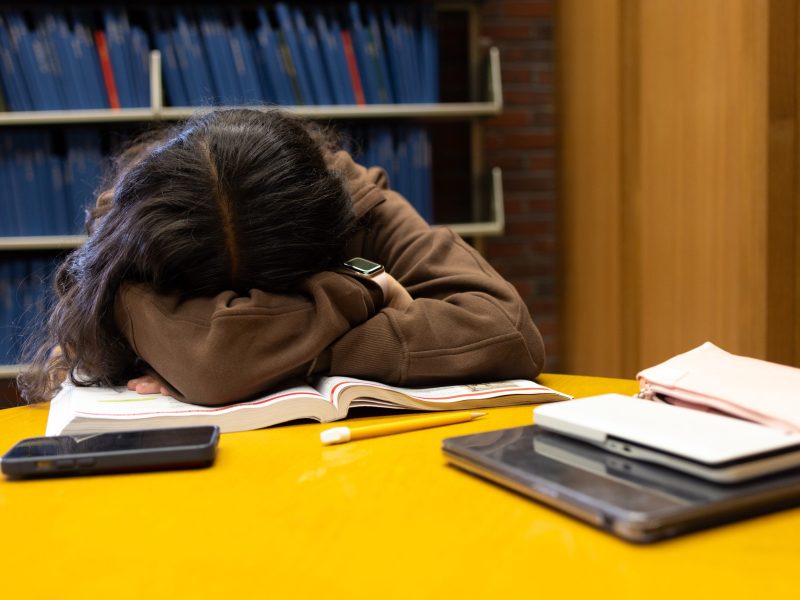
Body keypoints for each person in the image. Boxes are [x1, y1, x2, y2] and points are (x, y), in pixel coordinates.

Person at [19, 108, 545, 406]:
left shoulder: (356, 204)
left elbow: (503, 328)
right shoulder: (137, 242)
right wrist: (364, 290)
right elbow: (218, 365)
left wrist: (267, 356)